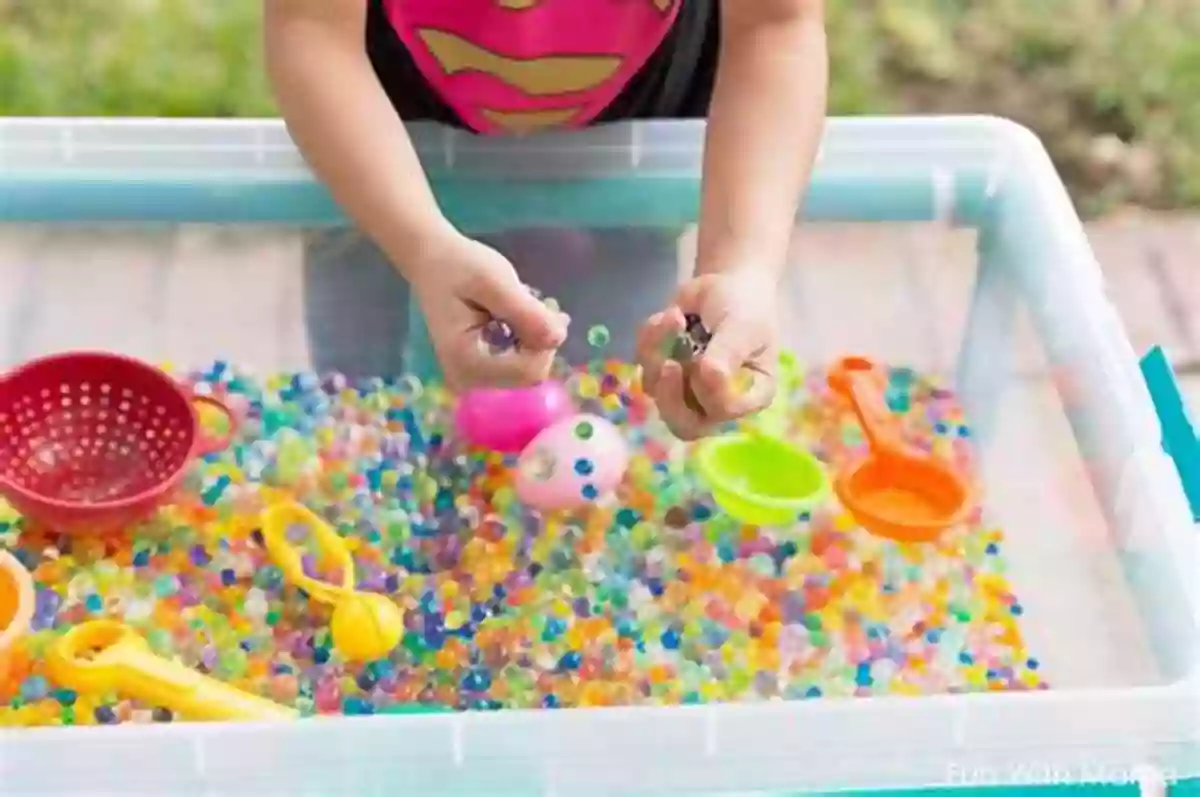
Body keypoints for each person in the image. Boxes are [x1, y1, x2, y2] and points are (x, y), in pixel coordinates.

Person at [264, 0, 827, 440]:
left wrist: (738, 268)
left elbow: (773, 32)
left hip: (622, 141)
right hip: (383, 130)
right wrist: (420, 243)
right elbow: (314, 31)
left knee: (604, 386)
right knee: (369, 397)